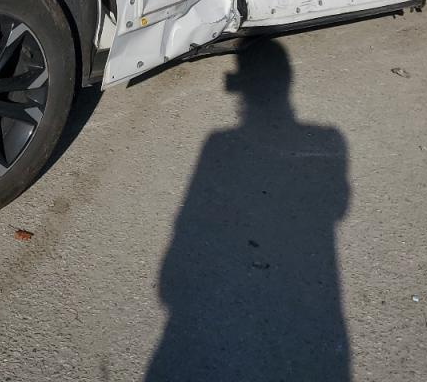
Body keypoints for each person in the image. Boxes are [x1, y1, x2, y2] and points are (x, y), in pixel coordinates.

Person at [146, 40, 351, 381]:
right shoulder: (330, 138)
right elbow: (339, 206)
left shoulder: (218, 142)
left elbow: (186, 220)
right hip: (319, 300)